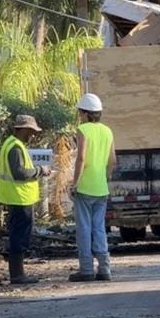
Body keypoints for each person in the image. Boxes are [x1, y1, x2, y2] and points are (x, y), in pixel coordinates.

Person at [0, 115, 52, 285]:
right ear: (24, 129)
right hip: (19, 198)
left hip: (18, 197)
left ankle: (18, 274)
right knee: (19, 236)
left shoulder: (13, 144)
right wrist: (40, 170)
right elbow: (19, 173)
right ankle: (17, 275)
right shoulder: (15, 147)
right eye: (31, 131)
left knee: (19, 234)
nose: (32, 135)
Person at [69, 93, 116, 282]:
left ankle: (86, 269)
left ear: (86, 113)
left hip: (85, 187)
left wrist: (75, 183)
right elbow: (113, 160)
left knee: (84, 228)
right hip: (101, 188)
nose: (80, 116)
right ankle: (104, 269)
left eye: (81, 112)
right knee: (99, 228)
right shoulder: (107, 131)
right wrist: (105, 177)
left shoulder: (83, 130)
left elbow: (81, 158)